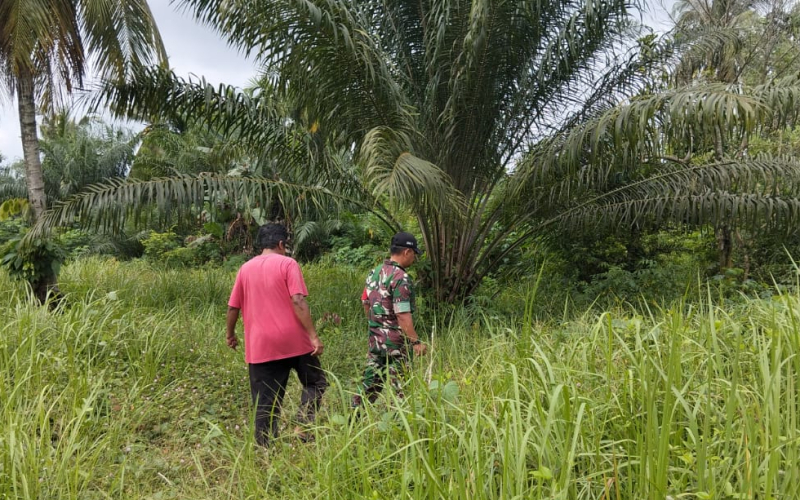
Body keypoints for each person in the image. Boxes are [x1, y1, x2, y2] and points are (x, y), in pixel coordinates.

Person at [226, 223, 326, 446]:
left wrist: (230, 335)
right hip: (296, 342)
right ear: (281, 244)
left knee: (264, 402)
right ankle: (303, 424)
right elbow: (298, 300)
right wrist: (313, 337)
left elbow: (233, 307)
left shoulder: (245, 269)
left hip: (261, 346)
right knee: (316, 383)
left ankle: (266, 450)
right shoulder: (288, 263)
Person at [352, 232, 427, 407]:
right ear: (407, 252)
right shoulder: (401, 278)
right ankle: (403, 426)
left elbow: (365, 302)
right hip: (397, 344)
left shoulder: (374, 272)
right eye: (414, 254)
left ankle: (352, 421)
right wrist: (416, 342)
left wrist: (377, 326)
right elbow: (402, 314)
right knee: (402, 389)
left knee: (369, 385)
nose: (414, 258)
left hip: (376, 341)